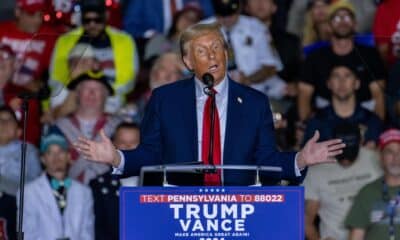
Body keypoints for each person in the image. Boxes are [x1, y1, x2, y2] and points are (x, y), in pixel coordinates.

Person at [75, 22, 345, 186]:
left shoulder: (254, 102)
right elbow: (151, 155)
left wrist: (300, 159)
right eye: (202, 51)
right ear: (188, 62)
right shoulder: (165, 100)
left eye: (217, 47)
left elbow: (266, 160)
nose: (213, 55)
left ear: (226, 53)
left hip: (238, 210)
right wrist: (116, 157)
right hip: (182, 208)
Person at [298, 0, 386, 121]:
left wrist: (376, 129)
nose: (343, 22)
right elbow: (304, 94)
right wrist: (305, 127)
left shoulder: (370, 54)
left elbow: (378, 95)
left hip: (364, 116)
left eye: (347, 17)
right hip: (325, 119)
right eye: (337, 18)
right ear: (329, 25)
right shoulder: (315, 57)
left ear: (355, 23)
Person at [50, 0, 139, 114]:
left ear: (106, 16)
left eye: (97, 20)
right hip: (72, 99)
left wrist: (101, 94)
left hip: (111, 101)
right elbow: (55, 78)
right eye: (87, 21)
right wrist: (78, 95)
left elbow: (129, 81)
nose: (92, 25)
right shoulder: (65, 40)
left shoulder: (125, 40)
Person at [304, 123, 382, 240]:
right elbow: (306, 220)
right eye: (341, 154)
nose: (346, 160)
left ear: (361, 142)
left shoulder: (376, 160)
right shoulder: (317, 170)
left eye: (351, 155)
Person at [51, 71, 122, 184]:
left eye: (98, 89)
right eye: (86, 88)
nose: (92, 93)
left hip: (108, 192)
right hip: (70, 191)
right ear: (78, 93)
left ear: (106, 95)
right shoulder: (59, 127)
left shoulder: (119, 127)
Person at [19, 133, 94, 239]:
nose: (56, 157)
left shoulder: (84, 192)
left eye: (61, 151)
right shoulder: (28, 192)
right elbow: (27, 233)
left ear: (68, 156)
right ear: (43, 159)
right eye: (50, 152)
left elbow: (87, 232)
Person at [303, 65, 384, 148]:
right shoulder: (316, 121)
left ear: (357, 83)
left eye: (347, 75)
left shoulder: (372, 121)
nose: (342, 81)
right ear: (329, 83)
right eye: (336, 76)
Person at [345, 129, 400, 240]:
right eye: (390, 152)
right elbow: (356, 236)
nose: (396, 157)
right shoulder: (367, 192)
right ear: (381, 157)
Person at [90, 122, 140, 240]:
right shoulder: (98, 186)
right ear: (113, 146)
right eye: (123, 143)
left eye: (134, 143)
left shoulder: (158, 184)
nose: (128, 148)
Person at [0, 0, 58, 92]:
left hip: (28, 98)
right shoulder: (2, 31)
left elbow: (56, 73)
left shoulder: (49, 36)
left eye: (40, 15)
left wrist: (41, 83)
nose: (38, 20)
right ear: (18, 12)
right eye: (31, 14)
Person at [0, 106, 41, 196]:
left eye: (9, 120)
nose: (4, 124)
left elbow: (36, 185)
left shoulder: (28, 151)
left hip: (19, 202)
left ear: (18, 131)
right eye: (1, 120)